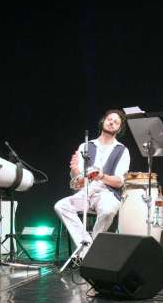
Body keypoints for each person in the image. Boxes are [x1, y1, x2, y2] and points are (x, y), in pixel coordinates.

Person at [54, 109, 130, 258]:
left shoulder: (122, 150)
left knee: (108, 210)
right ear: (103, 121)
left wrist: (101, 176)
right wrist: (75, 170)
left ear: (119, 128)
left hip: (107, 194)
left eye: (116, 122)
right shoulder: (86, 146)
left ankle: (88, 251)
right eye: (110, 119)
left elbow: (119, 182)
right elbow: (78, 181)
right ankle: (89, 247)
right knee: (61, 206)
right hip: (86, 192)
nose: (112, 122)